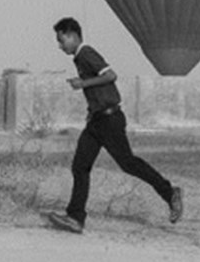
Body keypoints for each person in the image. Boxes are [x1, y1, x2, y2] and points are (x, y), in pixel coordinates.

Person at [43, 17, 183, 234]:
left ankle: (170, 192)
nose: (60, 46)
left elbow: (110, 75)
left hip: (110, 119)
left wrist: (83, 84)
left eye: (61, 40)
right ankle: (75, 218)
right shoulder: (79, 58)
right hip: (97, 120)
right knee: (80, 166)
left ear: (72, 35)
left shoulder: (86, 53)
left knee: (128, 163)